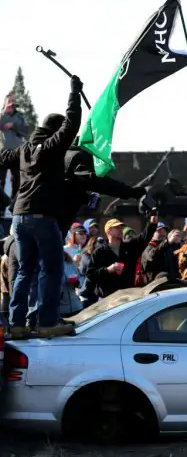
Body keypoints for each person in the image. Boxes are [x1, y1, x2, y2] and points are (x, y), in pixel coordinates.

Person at [0, 76, 82, 338]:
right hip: (42, 218)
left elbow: (3, 157)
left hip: (19, 218)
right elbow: (70, 125)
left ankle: (17, 325)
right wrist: (75, 94)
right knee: (51, 268)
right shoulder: (50, 147)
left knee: (24, 271)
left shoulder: (24, 150)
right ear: (55, 131)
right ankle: (47, 322)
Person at [0, 93, 28, 199]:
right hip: (2, 152)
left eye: (13, 101)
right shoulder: (1, 115)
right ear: (5, 102)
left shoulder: (20, 117)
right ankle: (1, 206)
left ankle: (14, 203)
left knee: (16, 179)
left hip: (16, 152)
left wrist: (14, 126)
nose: (12, 103)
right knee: (1, 180)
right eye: (10, 101)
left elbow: (25, 132)